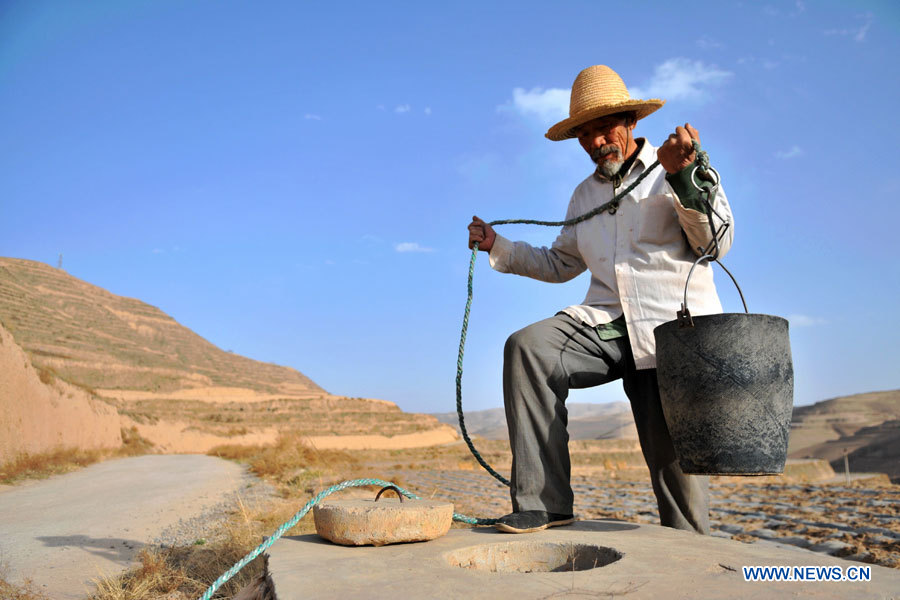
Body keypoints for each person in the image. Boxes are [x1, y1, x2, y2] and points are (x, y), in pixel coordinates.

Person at [467, 65, 733, 535]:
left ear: (631, 121)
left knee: (679, 487)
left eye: (605, 127)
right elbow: (560, 263)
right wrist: (498, 246)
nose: (595, 142)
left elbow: (715, 243)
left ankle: (693, 559)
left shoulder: (676, 165)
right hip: (606, 325)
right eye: (584, 134)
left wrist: (684, 176)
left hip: (672, 332)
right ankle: (546, 504)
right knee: (528, 349)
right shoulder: (582, 195)